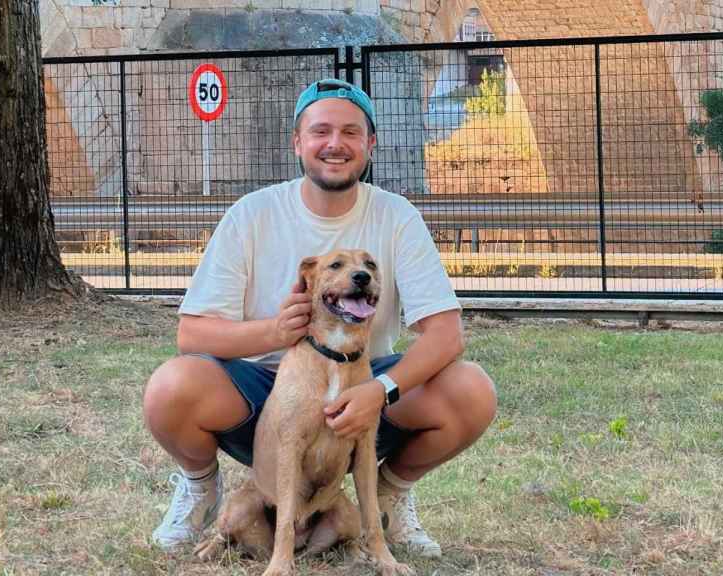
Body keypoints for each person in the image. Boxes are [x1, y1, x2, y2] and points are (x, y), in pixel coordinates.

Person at [142, 78, 497, 559]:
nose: (335, 144)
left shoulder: (398, 217)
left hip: (361, 385)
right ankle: (201, 491)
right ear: (298, 143)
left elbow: (447, 334)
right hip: (264, 388)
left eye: (351, 132)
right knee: (171, 386)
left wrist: (379, 390)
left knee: (471, 390)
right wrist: (274, 331)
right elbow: (192, 333)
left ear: (370, 144)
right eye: (321, 131)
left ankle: (389, 496)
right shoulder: (253, 214)